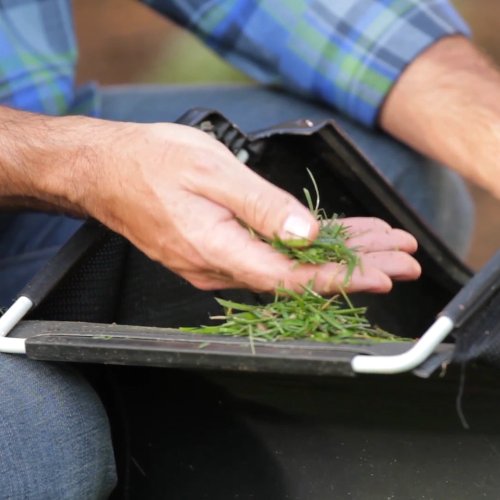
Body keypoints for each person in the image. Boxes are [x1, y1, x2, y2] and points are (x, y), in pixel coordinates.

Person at [0, 0, 495, 497]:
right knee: (46, 434)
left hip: (32, 128)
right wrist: (81, 164)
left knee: (390, 173)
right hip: (39, 152)